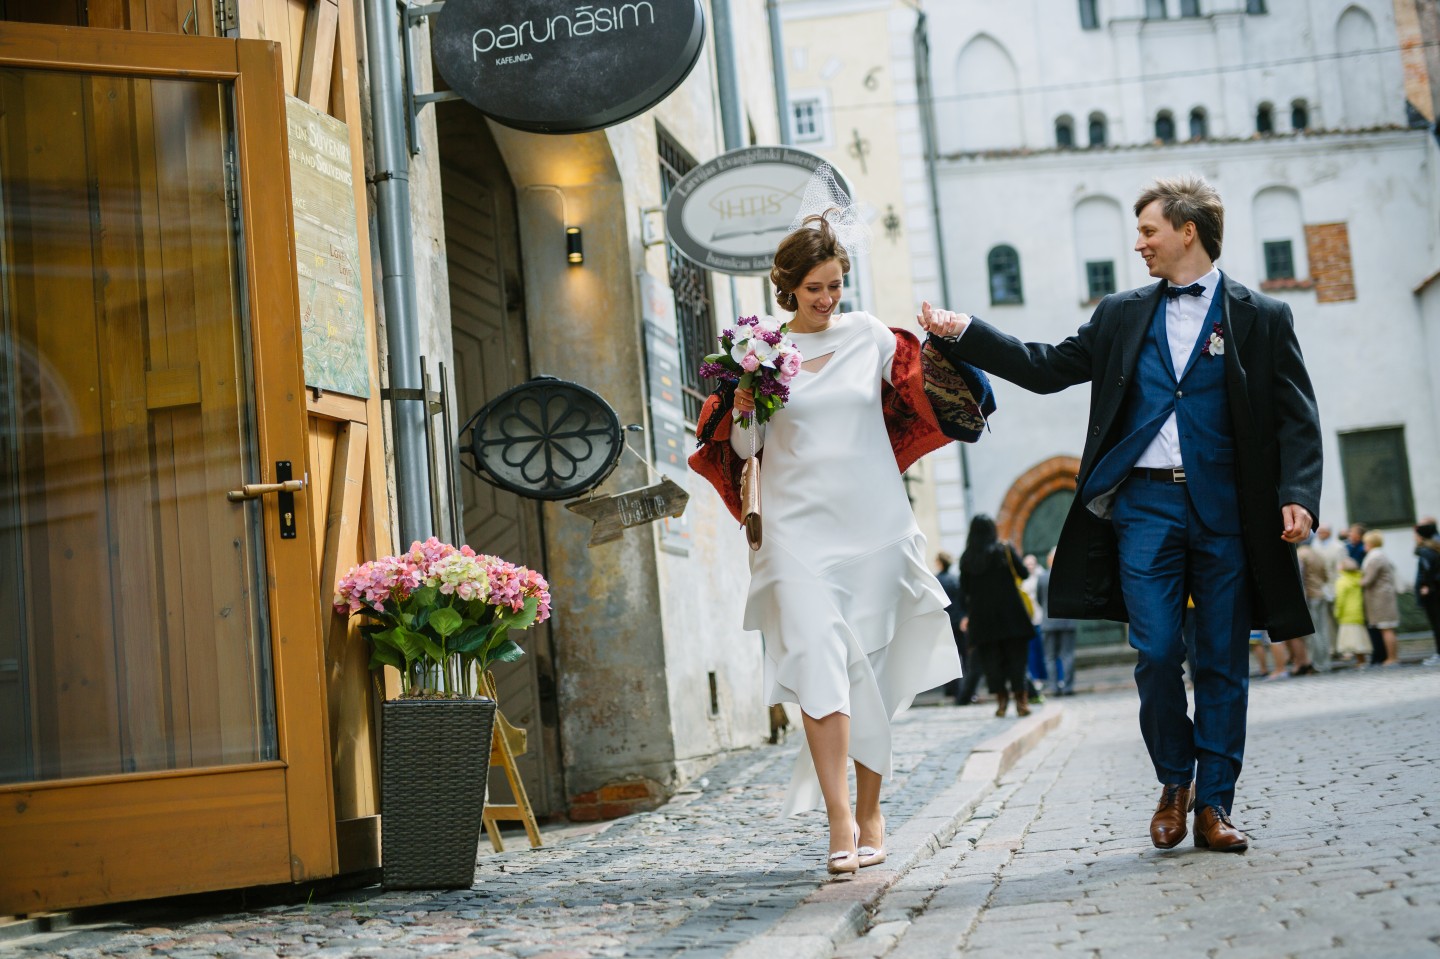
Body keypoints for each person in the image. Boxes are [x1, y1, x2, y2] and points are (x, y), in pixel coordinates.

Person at [920, 174, 1322, 853]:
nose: (1138, 244)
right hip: (1144, 505)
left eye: (1148, 231)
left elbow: (1296, 415)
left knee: (1222, 659)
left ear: (1187, 232)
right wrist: (965, 333)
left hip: (1227, 510)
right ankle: (1174, 780)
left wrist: (1299, 494)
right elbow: (1045, 367)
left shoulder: (1262, 316)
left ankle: (1214, 804)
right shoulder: (1120, 314)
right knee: (1157, 651)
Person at [687, 207, 987, 877]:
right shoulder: (759, 352)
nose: (827, 299)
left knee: (870, 674)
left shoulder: (868, 335)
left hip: (875, 525)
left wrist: (950, 346)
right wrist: (742, 406)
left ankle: (872, 811)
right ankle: (840, 818)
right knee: (819, 666)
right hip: (794, 533)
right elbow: (746, 448)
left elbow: (920, 389)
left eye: (835, 285)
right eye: (814, 288)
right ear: (788, 287)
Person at [959, 516, 1035, 717]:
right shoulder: (1004, 550)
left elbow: (964, 589)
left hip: (983, 620)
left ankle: (1001, 702)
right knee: (1017, 660)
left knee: (991, 663)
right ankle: (1021, 702)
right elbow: (1024, 573)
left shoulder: (966, 558)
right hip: (1012, 616)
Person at [1039, 547, 1078, 695]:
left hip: (1048, 622)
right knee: (1067, 655)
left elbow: (1039, 599)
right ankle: (1068, 687)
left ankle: (1054, 688)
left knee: (1050, 657)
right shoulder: (1070, 576)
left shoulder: (1042, 577)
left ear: (1049, 560)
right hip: (1067, 621)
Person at [934, 552, 972, 701]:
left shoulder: (936, 581)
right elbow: (964, 600)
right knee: (964, 656)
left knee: (948, 657)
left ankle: (952, 689)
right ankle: (966, 689)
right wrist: (964, 617)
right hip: (958, 622)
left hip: (944, 623)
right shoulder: (955, 579)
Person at [1360, 530, 1400, 666]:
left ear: (1371, 543)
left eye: (1366, 542)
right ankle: (1391, 657)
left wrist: (1358, 581)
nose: (1364, 545)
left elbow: (1368, 580)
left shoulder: (1375, 557)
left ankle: (1392, 658)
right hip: (1382, 596)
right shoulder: (1379, 555)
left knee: (1386, 627)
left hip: (1380, 598)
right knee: (1386, 628)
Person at [1296, 536, 1331, 673]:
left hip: (1310, 596)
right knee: (1323, 630)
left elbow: (1300, 578)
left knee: (1313, 632)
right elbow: (1325, 576)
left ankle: (1317, 664)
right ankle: (1325, 662)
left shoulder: (1300, 554)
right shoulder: (1318, 554)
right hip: (1320, 593)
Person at [1333, 558, 1370, 664]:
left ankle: (1359, 661)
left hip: (1346, 614)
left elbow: (1340, 599)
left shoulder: (1342, 581)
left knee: (1351, 639)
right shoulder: (1358, 578)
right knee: (1359, 638)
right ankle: (1361, 659)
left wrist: (1337, 612)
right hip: (1358, 612)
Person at [1414, 521, 1440, 666]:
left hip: (1432, 593)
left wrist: (1426, 586)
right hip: (1436, 589)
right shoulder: (1435, 548)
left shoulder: (1425, 551)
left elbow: (1426, 571)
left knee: (1436, 624)